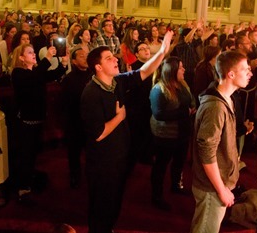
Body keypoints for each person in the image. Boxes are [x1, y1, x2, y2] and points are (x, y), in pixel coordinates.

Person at [80, 31, 172, 233]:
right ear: (98, 67)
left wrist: (163, 51)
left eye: (113, 56)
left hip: (119, 157)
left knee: (114, 202)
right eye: (109, 58)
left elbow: (145, 71)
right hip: (103, 162)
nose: (115, 59)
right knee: (101, 206)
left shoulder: (116, 82)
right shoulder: (91, 93)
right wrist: (119, 118)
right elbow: (98, 133)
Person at [190, 51, 252, 233]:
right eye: (245, 69)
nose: (250, 73)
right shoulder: (215, 107)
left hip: (218, 183)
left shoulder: (226, 98)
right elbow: (206, 152)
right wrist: (221, 190)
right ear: (231, 74)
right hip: (212, 187)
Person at [11, 43, 68, 205]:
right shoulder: (18, 73)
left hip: (38, 120)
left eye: (33, 51)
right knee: (25, 156)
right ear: (21, 58)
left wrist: (64, 63)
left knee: (33, 154)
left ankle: (29, 181)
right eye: (30, 52)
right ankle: (23, 189)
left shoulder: (35, 72)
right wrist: (47, 58)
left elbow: (49, 76)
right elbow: (34, 78)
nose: (33, 54)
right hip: (26, 123)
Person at [150, 56, 196, 211]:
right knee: (161, 165)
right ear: (172, 71)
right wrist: (185, 112)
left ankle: (176, 185)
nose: (184, 70)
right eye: (181, 67)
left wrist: (192, 107)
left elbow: (190, 100)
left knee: (179, 161)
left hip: (182, 132)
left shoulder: (182, 84)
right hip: (166, 135)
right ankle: (156, 195)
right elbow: (159, 115)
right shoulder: (159, 89)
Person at [61, 47, 91, 189]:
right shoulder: (69, 79)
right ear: (73, 61)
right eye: (81, 56)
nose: (85, 58)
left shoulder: (94, 75)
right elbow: (66, 104)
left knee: (92, 151)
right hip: (75, 122)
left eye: (86, 55)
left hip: (91, 122)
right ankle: (75, 175)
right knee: (74, 152)